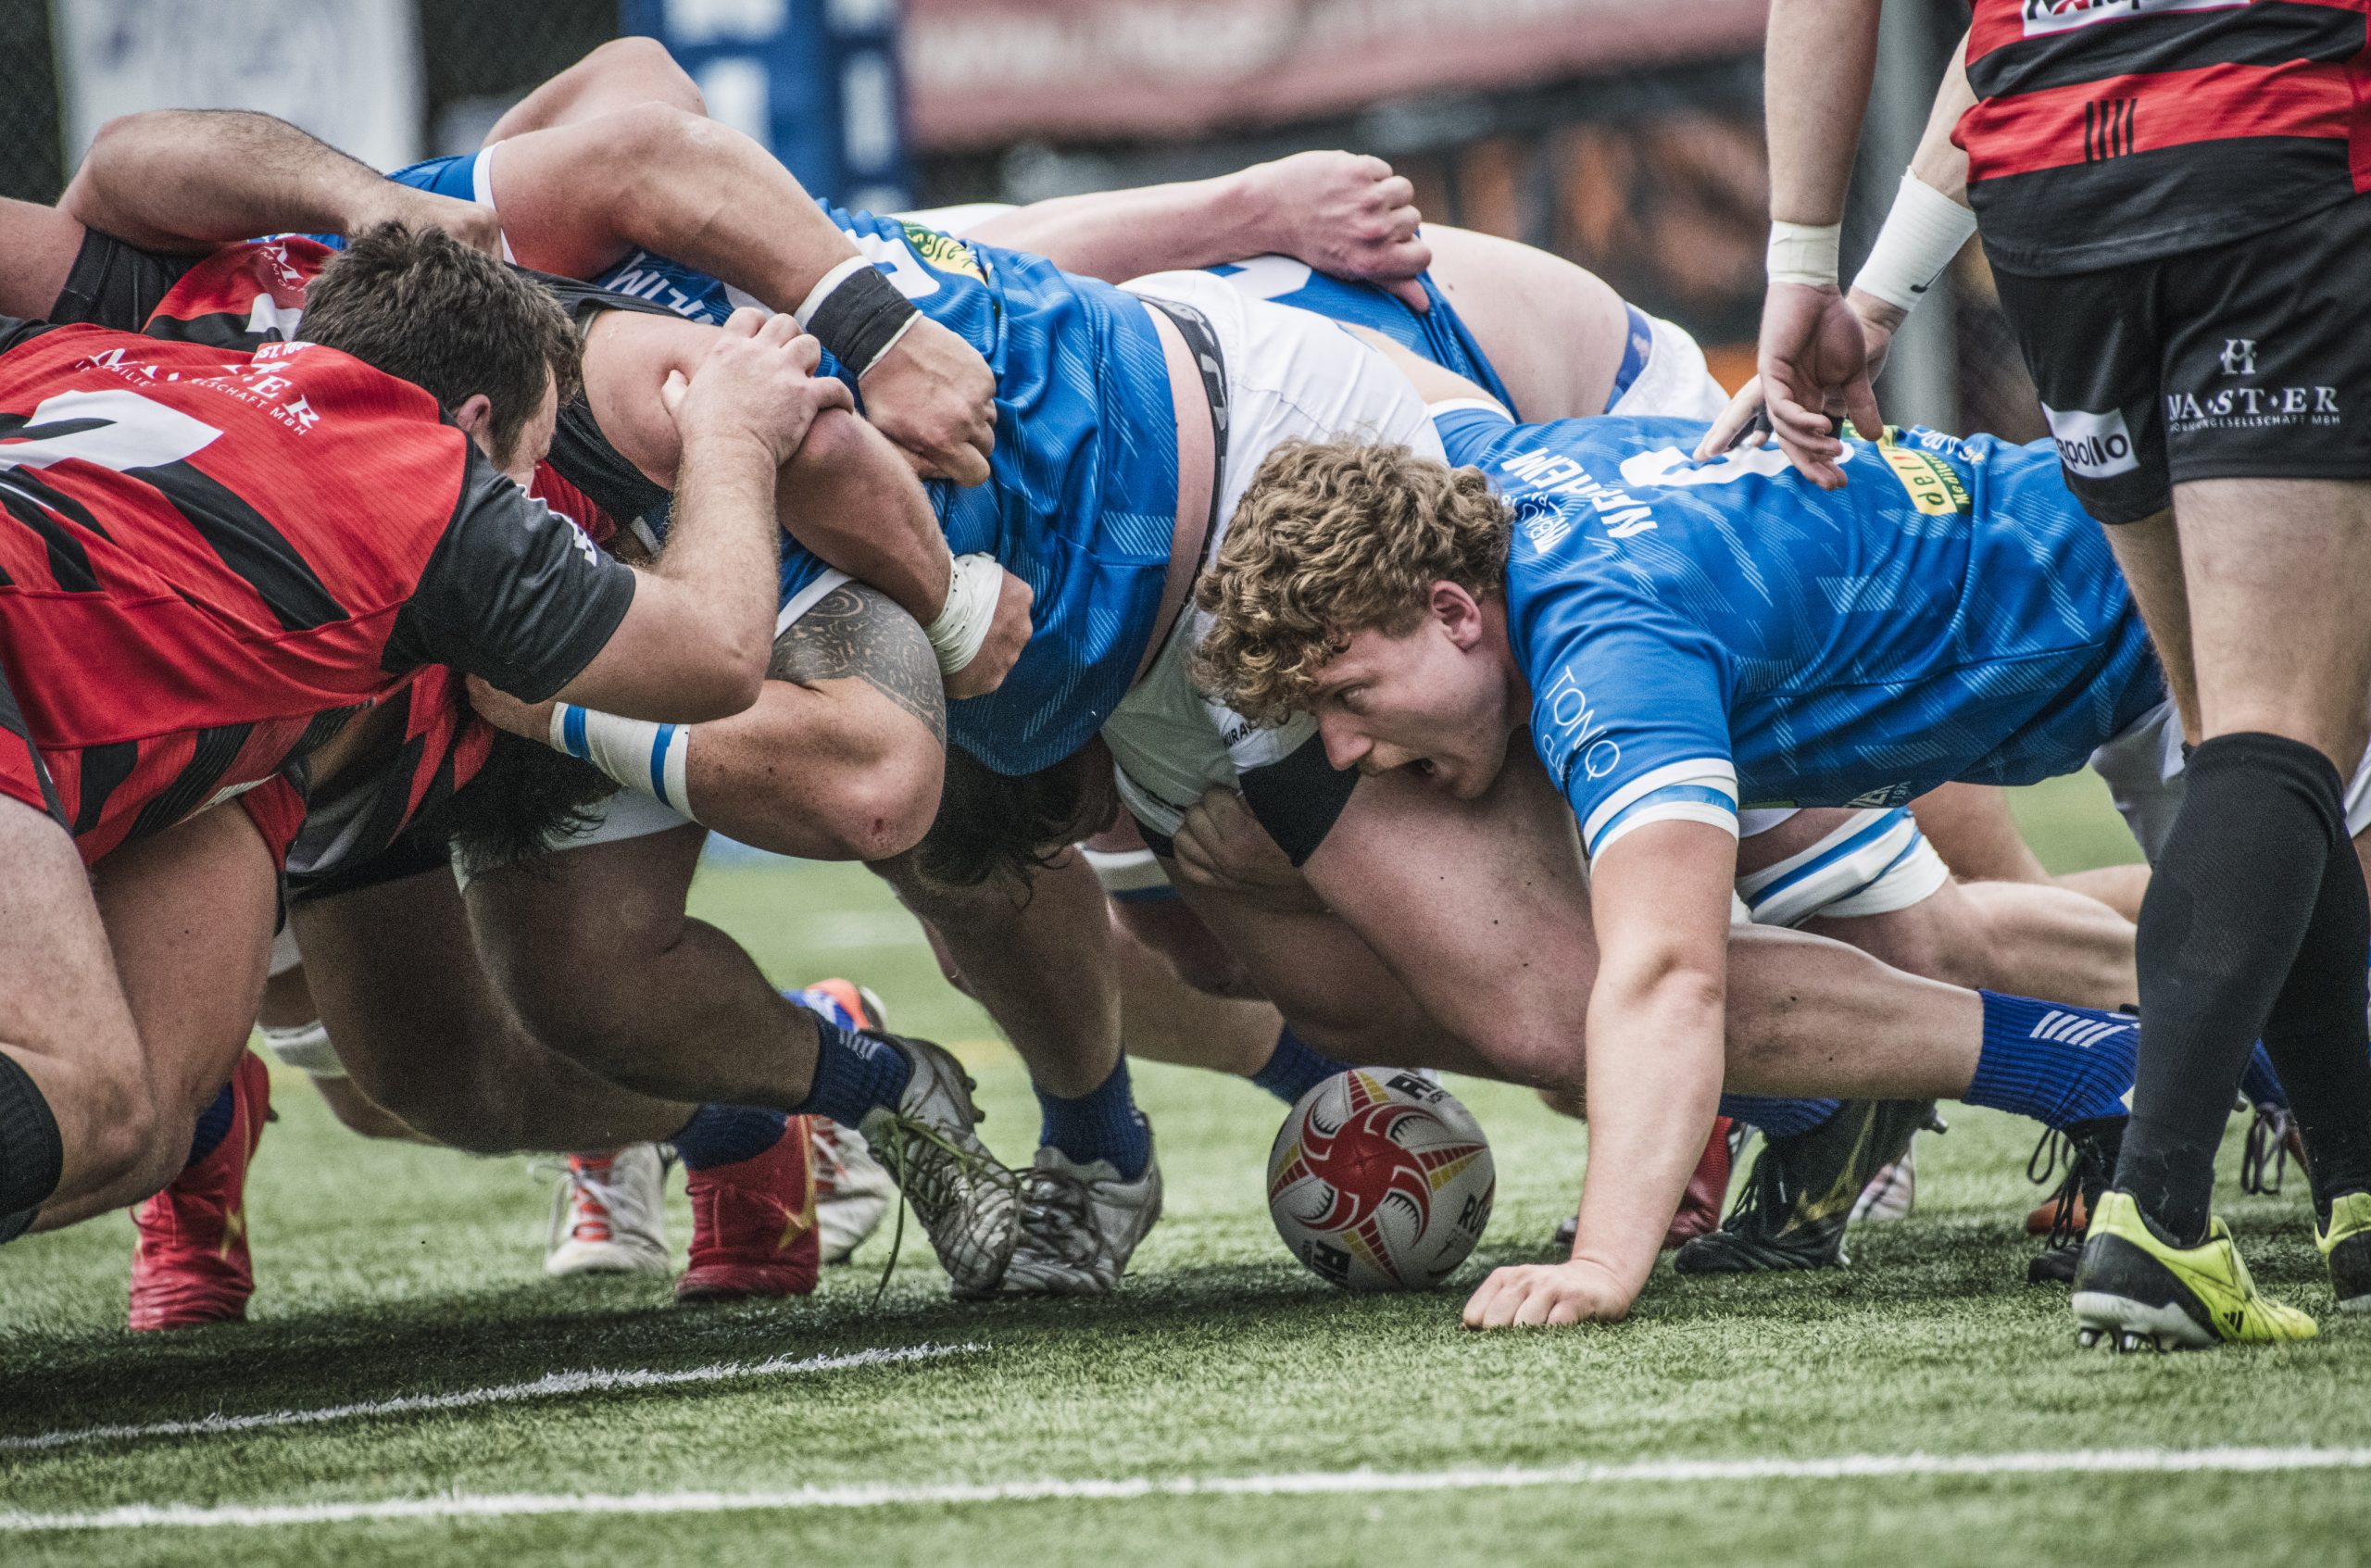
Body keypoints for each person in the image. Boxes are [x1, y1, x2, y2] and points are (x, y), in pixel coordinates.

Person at [1186, 365, 2371, 1326]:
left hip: (2192, 614)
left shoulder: (1608, 653)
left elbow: (1669, 975)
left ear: (1452, 612)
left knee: (2320, 956)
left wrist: (1601, 1263)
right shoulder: (1485, 479)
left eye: (1349, 695)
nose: (1340, 748)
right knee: (2269, 975)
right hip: (2126, 576)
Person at [0, 222, 835, 1248]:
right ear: (476, 425)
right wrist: (734, 432)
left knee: (143, 1128)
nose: (532, 493)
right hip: (40, 677)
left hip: (131, 719)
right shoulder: (429, 476)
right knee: (93, 1095)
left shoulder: (92, 349)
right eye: (531, 461)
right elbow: (716, 650)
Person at [1748, 2, 2371, 1348]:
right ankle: (2159, 1217)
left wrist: (1834, 274)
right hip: (2270, 130)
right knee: (2282, 733)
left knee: (2237, 735)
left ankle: (2357, 1191)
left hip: (2050, 175)